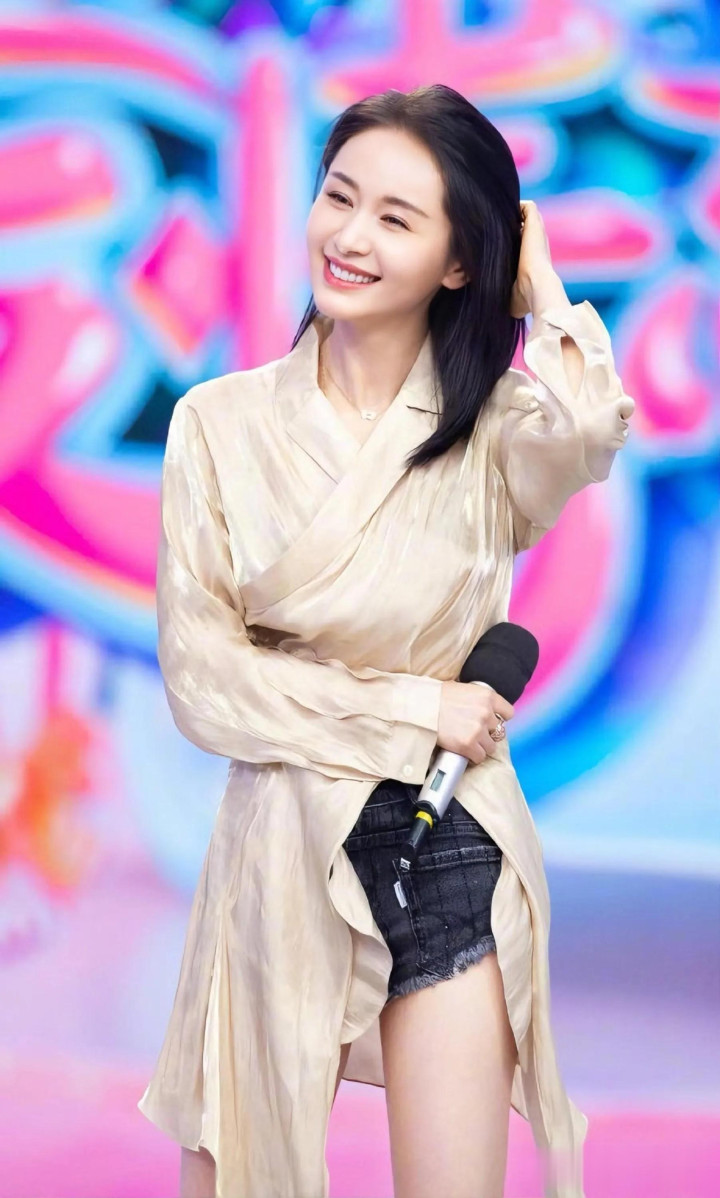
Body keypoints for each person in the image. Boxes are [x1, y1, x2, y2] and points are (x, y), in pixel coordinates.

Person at [137, 84, 635, 1198]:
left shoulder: (499, 428)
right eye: (339, 197)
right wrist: (417, 708)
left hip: (451, 839)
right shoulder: (217, 422)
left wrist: (541, 285)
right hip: (283, 849)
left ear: (461, 262)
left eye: (397, 218)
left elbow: (591, 431)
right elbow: (205, 683)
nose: (350, 236)